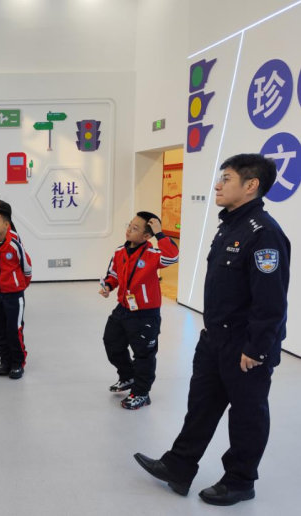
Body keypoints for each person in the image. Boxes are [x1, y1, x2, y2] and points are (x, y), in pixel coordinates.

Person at [134, 154, 290, 506]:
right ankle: (178, 465)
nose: (217, 185)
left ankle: (240, 480)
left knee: (247, 415)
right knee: (201, 405)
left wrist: (256, 348)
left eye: (226, 178)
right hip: (215, 338)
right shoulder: (229, 227)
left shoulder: (264, 234)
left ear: (251, 185)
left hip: (245, 345)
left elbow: (271, 301)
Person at [99, 212, 179, 410]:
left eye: (135, 228)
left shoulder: (154, 254)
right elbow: (113, 274)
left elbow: (173, 256)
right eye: (129, 225)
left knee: (144, 355)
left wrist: (160, 234)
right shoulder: (119, 251)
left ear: (146, 236)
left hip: (145, 314)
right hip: (123, 309)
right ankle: (128, 376)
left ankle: (142, 393)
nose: (129, 230)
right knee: (112, 343)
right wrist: (108, 286)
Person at [0, 207, 32, 379]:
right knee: (1, 329)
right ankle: (5, 362)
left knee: (14, 329)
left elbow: (27, 268)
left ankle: (17, 363)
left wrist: (19, 286)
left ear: (6, 225)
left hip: (14, 295)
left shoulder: (14, 245)